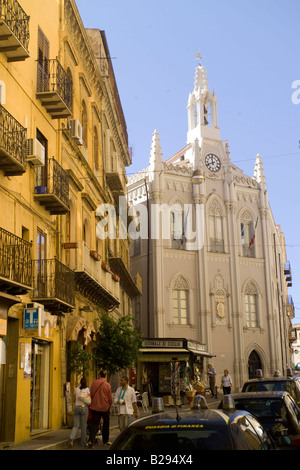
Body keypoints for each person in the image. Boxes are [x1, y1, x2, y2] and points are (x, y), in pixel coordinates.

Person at [89, 370, 113, 447]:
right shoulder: (107, 385)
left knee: (94, 424)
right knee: (106, 424)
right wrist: (110, 404)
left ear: (99, 375)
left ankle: (91, 440)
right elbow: (110, 398)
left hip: (95, 407)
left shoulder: (94, 383)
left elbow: (91, 394)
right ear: (105, 376)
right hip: (105, 407)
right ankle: (105, 441)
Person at [68, 377, 91, 448]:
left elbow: (74, 399)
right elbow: (89, 400)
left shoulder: (76, 389)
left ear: (80, 382)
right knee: (83, 426)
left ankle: (71, 438)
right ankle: (83, 442)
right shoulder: (87, 389)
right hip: (84, 408)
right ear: (86, 383)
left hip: (77, 407)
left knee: (76, 425)